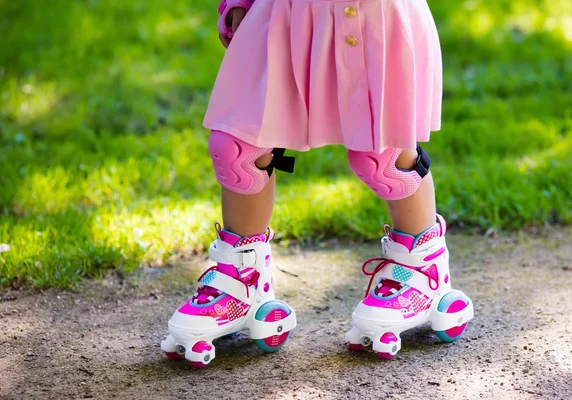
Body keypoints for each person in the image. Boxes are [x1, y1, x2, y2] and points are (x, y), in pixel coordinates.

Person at [161, 0, 474, 366]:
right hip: (284, 13)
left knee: (383, 154)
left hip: (375, 16)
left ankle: (422, 271)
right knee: (237, 148)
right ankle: (243, 279)